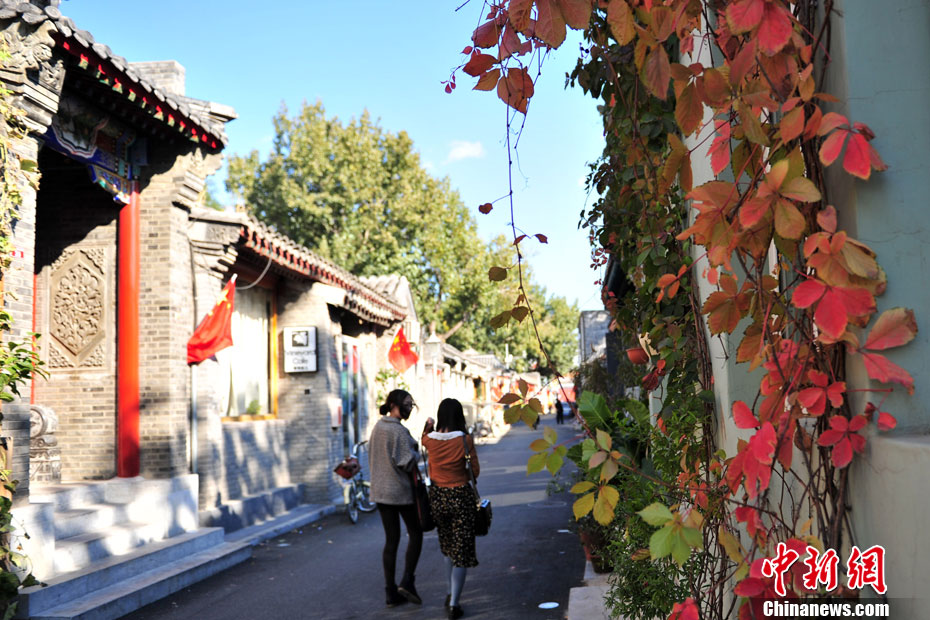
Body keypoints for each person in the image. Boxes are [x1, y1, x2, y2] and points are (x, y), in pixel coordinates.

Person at [422, 398, 480, 620]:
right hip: (460, 498)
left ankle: (449, 591)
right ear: (459, 417)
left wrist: (427, 425)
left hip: (437, 498)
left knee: (447, 546)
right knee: (462, 550)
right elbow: (475, 471)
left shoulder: (430, 441)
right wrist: (461, 475)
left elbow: (423, 437)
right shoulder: (464, 440)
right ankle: (455, 602)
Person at [369, 389, 423, 608]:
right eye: (407, 404)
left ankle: (390, 592)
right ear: (393, 404)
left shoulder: (377, 427)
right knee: (416, 533)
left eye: (412, 404)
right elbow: (407, 462)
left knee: (391, 541)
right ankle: (407, 580)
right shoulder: (398, 431)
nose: (409, 408)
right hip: (399, 492)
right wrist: (418, 451)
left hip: (381, 493)